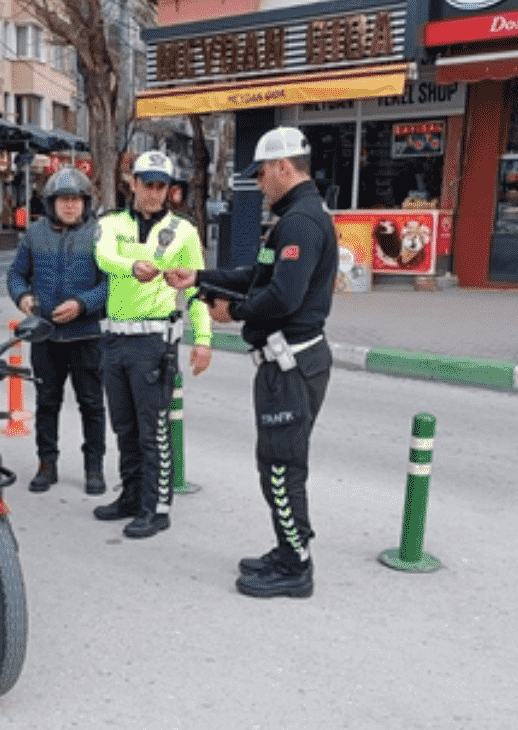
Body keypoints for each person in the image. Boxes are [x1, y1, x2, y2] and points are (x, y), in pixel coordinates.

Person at [165, 127, 337, 598]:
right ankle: (288, 549)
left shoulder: (301, 221)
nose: (259, 184)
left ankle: (296, 567)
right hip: (289, 364)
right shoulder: (293, 219)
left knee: (282, 468)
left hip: (291, 366)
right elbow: (256, 276)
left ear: (284, 167)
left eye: (261, 174)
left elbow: (283, 295)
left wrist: (231, 313)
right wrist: (199, 277)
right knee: (277, 464)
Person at [93, 150, 213, 539]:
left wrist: (204, 339)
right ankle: (130, 496)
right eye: (148, 184)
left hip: (153, 343)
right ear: (133, 183)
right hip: (114, 340)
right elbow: (104, 256)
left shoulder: (184, 231)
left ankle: (157, 507)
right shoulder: (111, 223)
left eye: (162, 186)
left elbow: (197, 289)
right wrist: (131, 266)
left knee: (153, 430)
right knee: (124, 427)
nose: (154, 193)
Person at [7, 166, 108, 495]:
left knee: (91, 404)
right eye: (63, 200)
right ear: (51, 203)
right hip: (46, 336)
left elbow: (110, 284)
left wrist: (82, 304)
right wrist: (22, 296)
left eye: (76, 200)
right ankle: (46, 464)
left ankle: (94, 467)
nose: (70, 205)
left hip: (87, 336)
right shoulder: (35, 234)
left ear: (85, 203)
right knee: (47, 403)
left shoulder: (99, 235)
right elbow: (16, 275)